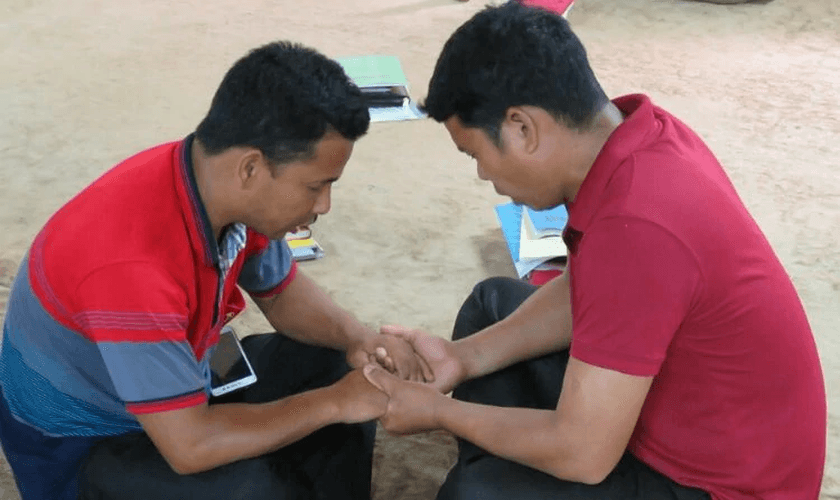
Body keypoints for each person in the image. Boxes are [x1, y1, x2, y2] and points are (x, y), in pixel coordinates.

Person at [363, 3, 827, 499]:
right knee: (491, 305)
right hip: (683, 415)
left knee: (479, 492)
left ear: (522, 128)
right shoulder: (640, 136)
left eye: (476, 154)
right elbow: (595, 290)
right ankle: (510, 464)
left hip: (722, 487)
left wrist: (441, 412)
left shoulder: (640, 224)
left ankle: (504, 472)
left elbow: (582, 454)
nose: (482, 175)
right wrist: (460, 358)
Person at [0, 41, 428, 500]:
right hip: (89, 443)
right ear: (251, 168)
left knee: (334, 363)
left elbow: (281, 294)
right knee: (255, 488)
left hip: (185, 371)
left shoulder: (207, 177)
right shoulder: (131, 268)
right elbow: (190, 446)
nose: (323, 206)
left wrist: (360, 339)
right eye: (315, 186)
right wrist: (333, 402)